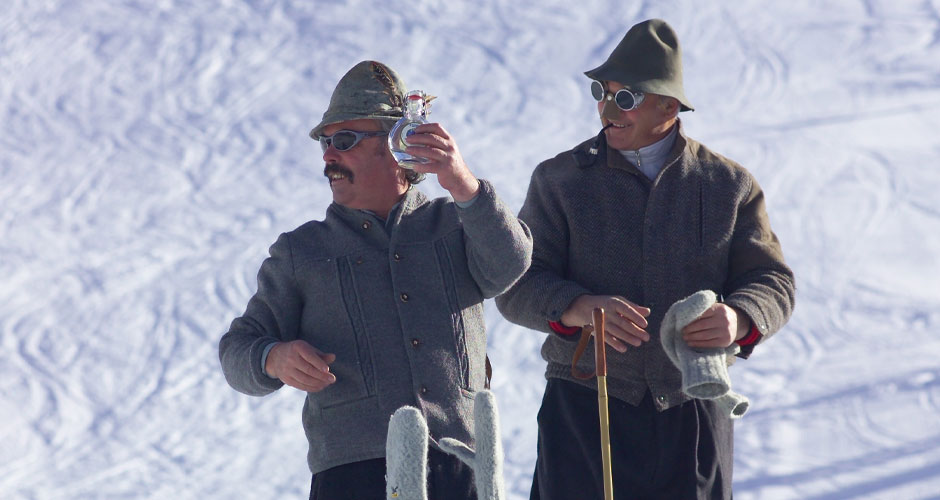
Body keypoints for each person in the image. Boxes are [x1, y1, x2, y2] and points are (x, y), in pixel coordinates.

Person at [495, 19, 796, 499]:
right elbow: (517, 283)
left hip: (694, 411)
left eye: (625, 97)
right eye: (601, 91)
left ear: (669, 105)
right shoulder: (559, 179)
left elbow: (772, 280)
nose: (606, 108)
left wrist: (739, 318)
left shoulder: (728, 184)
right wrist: (577, 307)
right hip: (584, 411)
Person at [219, 60, 532, 500]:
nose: (329, 156)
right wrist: (273, 357)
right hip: (353, 477)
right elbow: (237, 349)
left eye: (343, 141)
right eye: (325, 144)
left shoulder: (457, 223)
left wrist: (462, 183)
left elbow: (513, 262)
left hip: (461, 469)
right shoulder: (301, 251)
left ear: (396, 144)